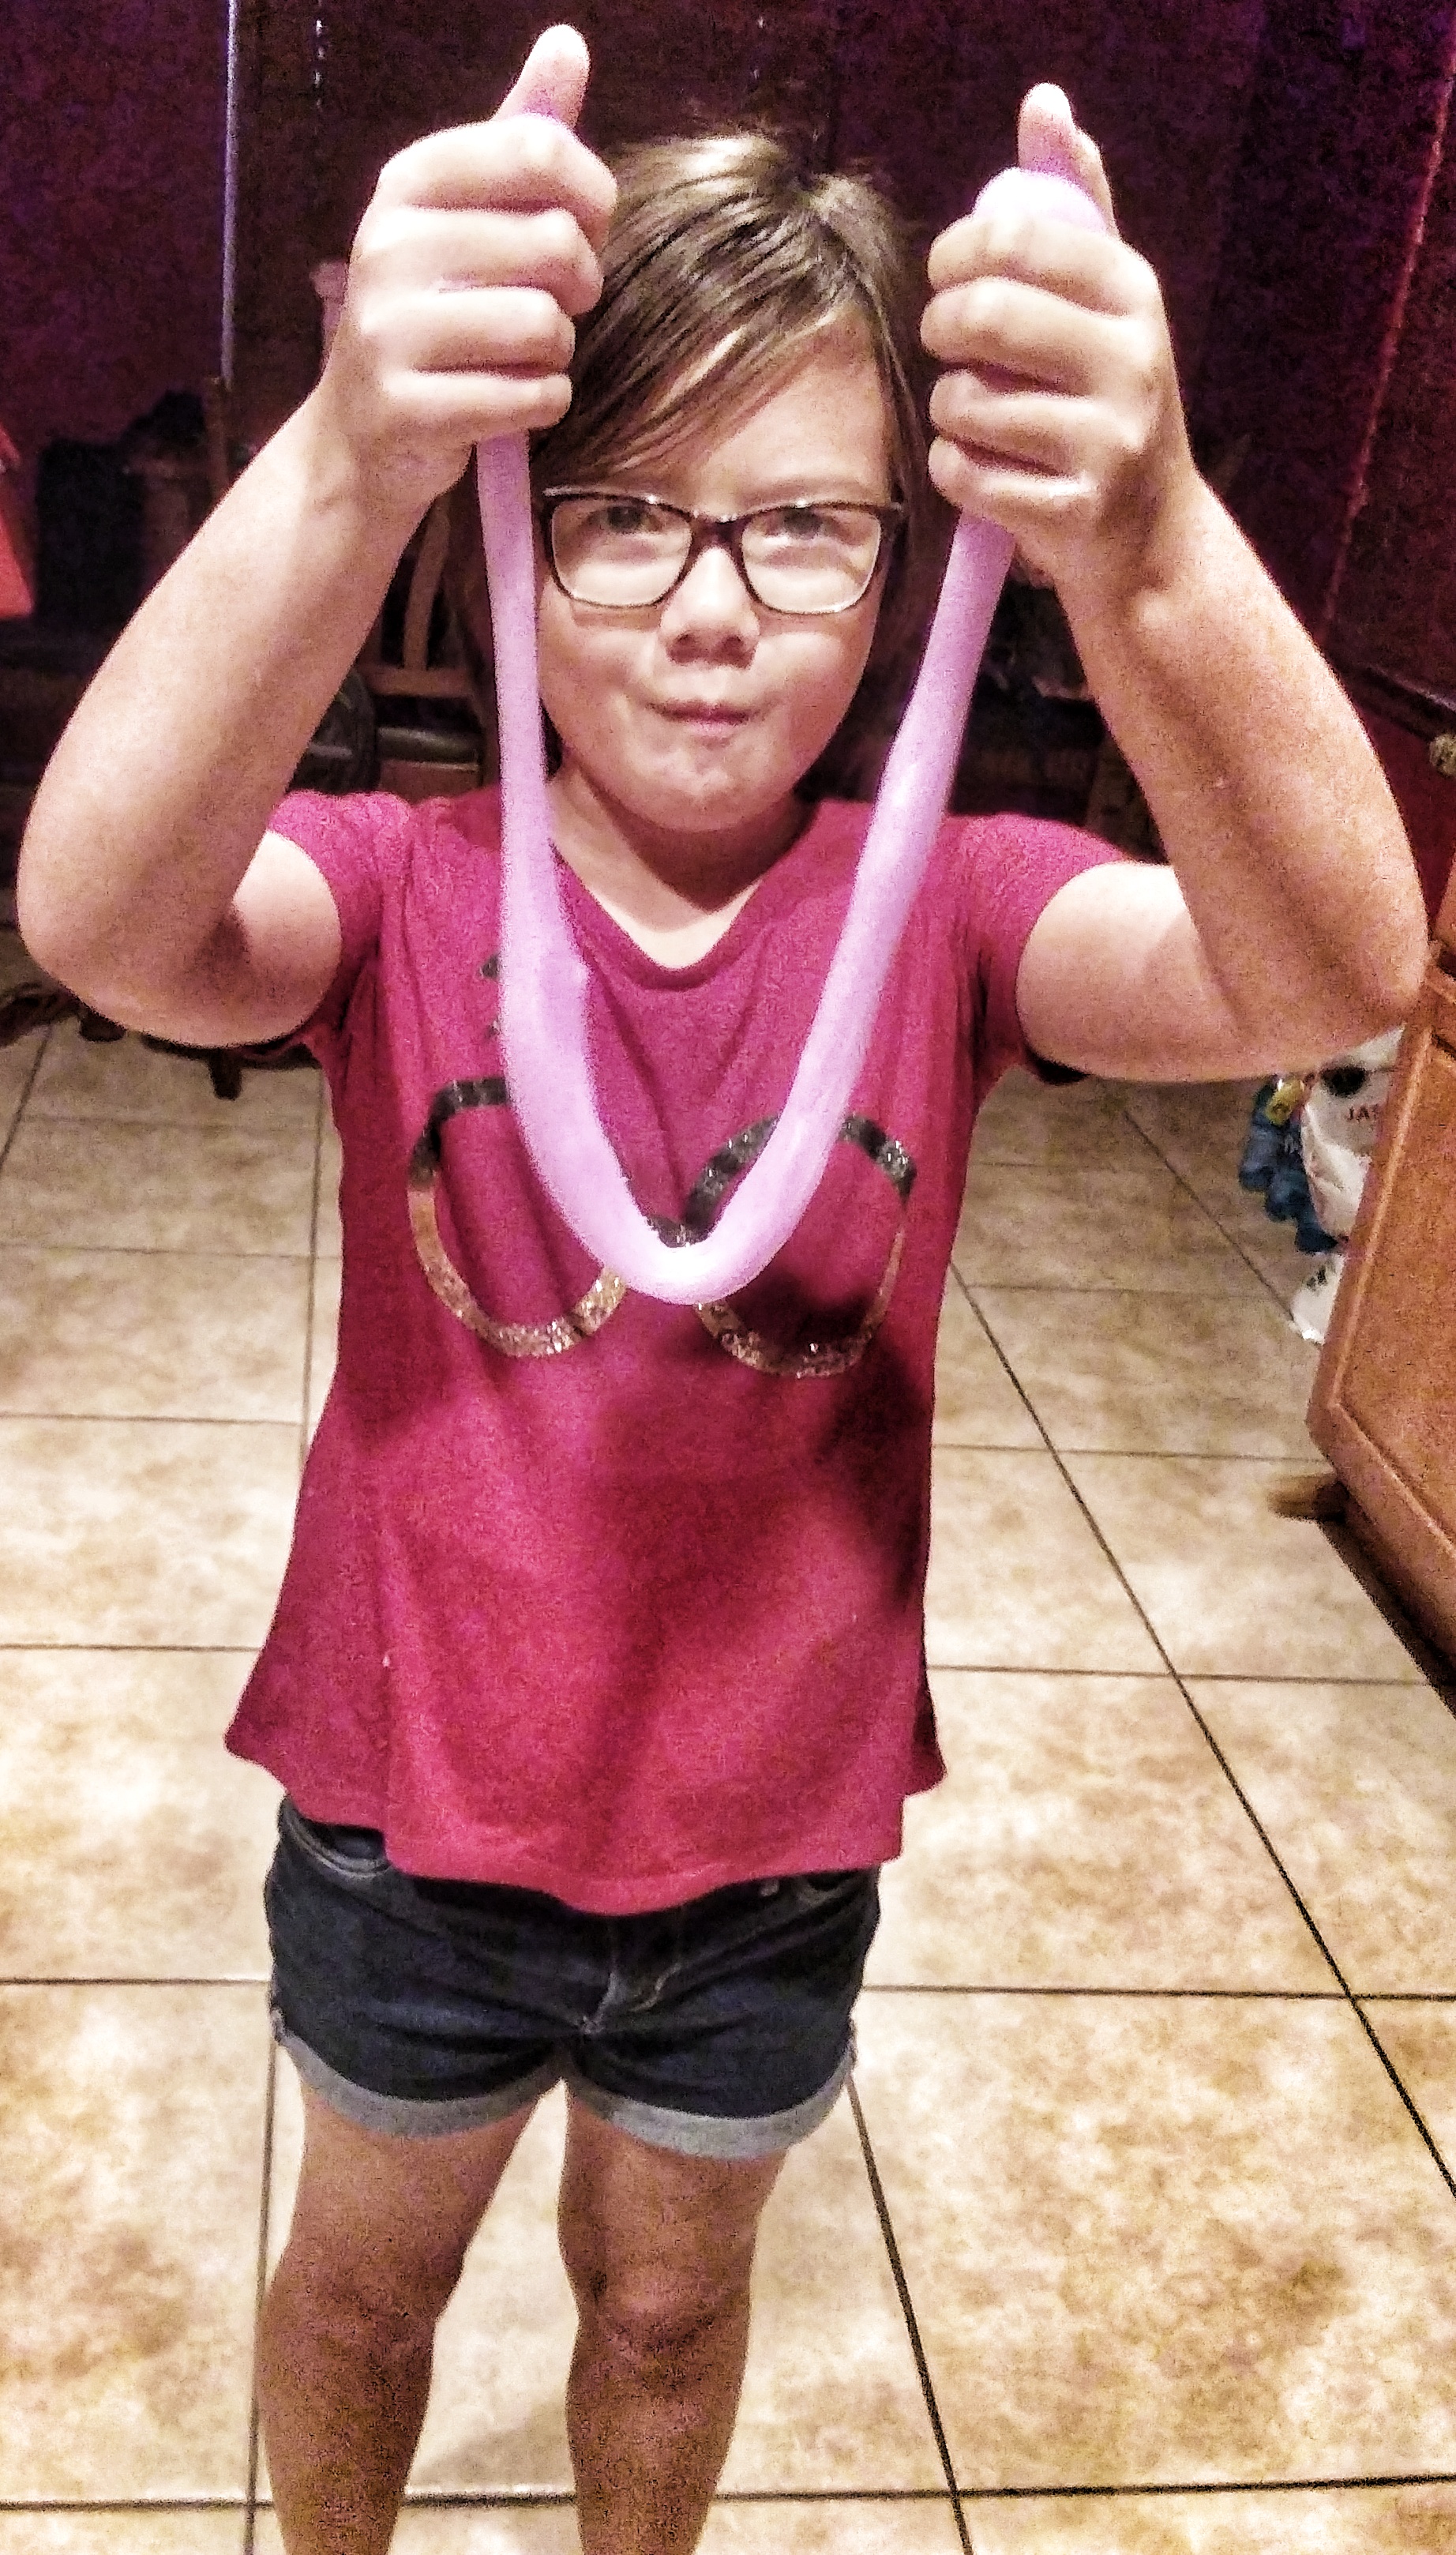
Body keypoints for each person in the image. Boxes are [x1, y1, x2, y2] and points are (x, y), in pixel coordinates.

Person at [16, 24, 1424, 2555]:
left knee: (667, 2305)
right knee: (363, 2290)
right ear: (517, 522)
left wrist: (1149, 539)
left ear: (904, 562)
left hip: (767, 1848)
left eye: (803, 531)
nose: (704, 610)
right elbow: (102, 918)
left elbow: (1329, 973)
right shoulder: (407, 881)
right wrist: (342, 459)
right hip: (411, 1819)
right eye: (627, 518)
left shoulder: (954, 902)